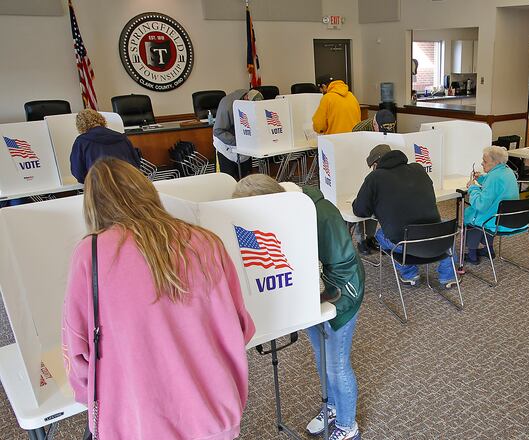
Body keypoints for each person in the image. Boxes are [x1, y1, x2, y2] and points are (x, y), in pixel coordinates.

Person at [62, 158, 255, 439]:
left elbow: (77, 351)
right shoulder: (206, 241)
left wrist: (88, 396)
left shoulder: (90, 254)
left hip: (138, 419)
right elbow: (242, 327)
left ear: (94, 205)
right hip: (213, 411)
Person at [232, 175, 364, 440]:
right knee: (321, 357)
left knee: (336, 364)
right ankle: (332, 408)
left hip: (341, 295)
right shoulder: (283, 211)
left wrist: (320, 300)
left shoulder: (323, 214)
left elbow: (344, 267)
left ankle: (349, 426)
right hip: (312, 295)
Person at [352, 144, 456, 288]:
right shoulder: (418, 168)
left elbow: (360, 211)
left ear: (376, 164)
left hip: (405, 243)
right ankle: (448, 276)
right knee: (446, 228)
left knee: (380, 235)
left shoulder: (375, 177)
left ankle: (410, 274)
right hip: (435, 238)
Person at [351, 109, 398, 255]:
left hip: (379, 169)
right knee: (362, 203)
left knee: (376, 204)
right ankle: (360, 240)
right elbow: (352, 151)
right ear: (374, 123)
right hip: (360, 166)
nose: (384, 133)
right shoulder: (359, 129)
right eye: (381, 129)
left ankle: (371, 237)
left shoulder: (389, 128)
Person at [463, 146, 519, 265]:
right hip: (508, 217)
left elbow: (480, 204)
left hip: (495, 219)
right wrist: (482, 179)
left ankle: (472, 255)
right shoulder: (507, 171)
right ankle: (488, 249)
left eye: (485, 161)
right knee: (483, 216)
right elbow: (496, 187)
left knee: (471, 216)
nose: (482, 163)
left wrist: (472, 188)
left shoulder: (494, 177)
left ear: (495, 162)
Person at [69, 109, 140, 183]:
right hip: (127, 184)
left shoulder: (81, 142)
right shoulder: (122, 138)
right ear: (101, 119)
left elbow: (78, 172)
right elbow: (136, 164)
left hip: (99, 187)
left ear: (80, 125)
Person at [213, 88, 264, 181]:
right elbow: (218, 131)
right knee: (228, 180)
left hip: (244, 146)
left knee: (246, 179)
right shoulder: (227, 105)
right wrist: (239, 142)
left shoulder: (249, 104)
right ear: (246, 98)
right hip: (226, 147)